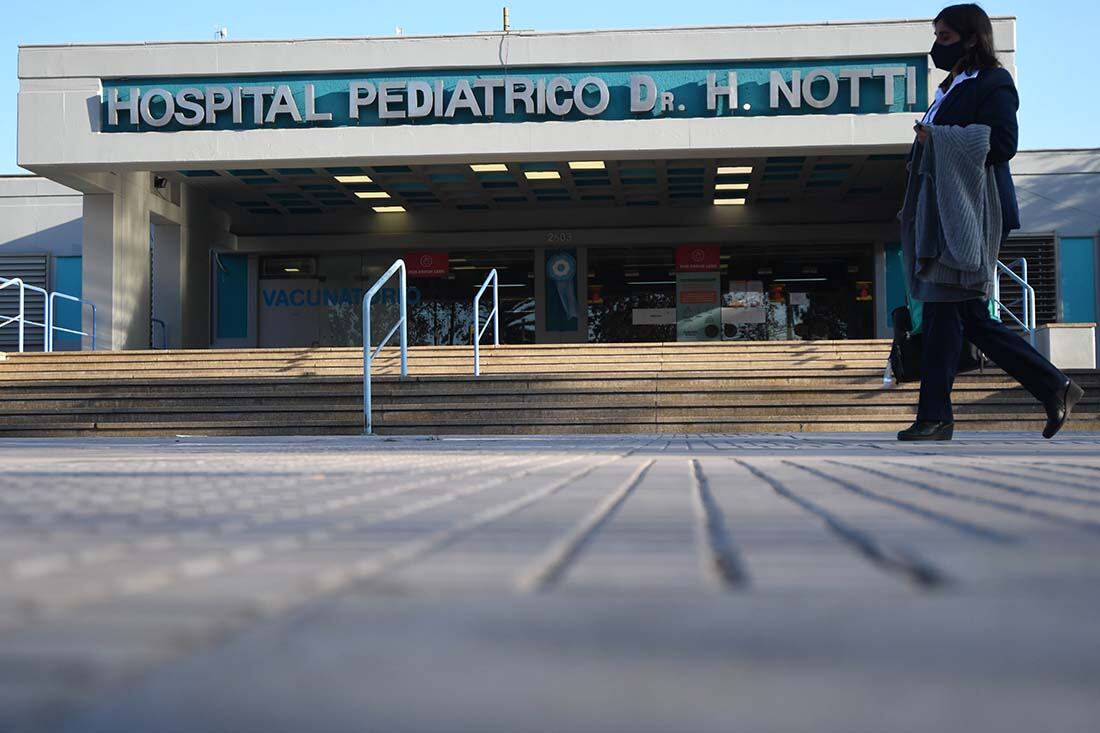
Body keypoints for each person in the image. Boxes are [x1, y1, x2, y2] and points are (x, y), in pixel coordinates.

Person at [897, 4, 1083, 442]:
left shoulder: (994, 81)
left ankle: (937, 416)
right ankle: (1053, 386)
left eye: (944, 37)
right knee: (965, 316)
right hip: (945, 213)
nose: (935, 47)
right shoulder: (949, 87)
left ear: (972, 38)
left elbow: (1002, 144)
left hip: (973, 213)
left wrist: (937, 137)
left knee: (950, 311)